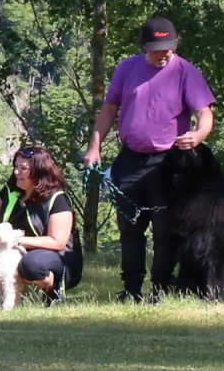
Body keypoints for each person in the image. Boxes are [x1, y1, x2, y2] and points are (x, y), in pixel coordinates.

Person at [82, 16, 216, 302]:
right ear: (144, 45)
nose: (163, 54)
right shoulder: (127, 68)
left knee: (166, 230)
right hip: (130, 160)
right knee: (130, 230)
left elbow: (205, 114)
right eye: (157, 49)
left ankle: (161, 289)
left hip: (169, 163)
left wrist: (199, 134)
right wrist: (94, 147)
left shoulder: (186, 72)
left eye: (168, 47)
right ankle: (131, 290)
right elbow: (108, 110)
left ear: (176, 43)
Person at [0, 145, 83, 306]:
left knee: (30, 265)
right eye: (16, 167)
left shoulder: (58, 199)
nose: (16, 172)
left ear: (39, 171)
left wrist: (17, 240)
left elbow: (57, 241)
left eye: (23, 168)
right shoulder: (10, 192)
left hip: (55, 258)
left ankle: (52, 293)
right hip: (11, 250)